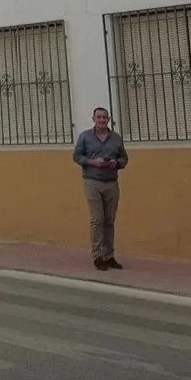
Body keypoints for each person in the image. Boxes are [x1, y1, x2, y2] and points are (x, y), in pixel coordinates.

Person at [72, 106, 128, 271]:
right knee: (98, 219)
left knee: (109, 220)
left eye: (105, 117)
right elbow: (76, 156)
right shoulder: (85, 137)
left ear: (108, 120)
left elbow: (124, 158)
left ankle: (109, 255)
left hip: (111, 182)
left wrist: (115, 163)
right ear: (93, 119)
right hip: (92, 182)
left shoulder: (116, 138)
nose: (102, 120)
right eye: (99, 117)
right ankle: (97, 256)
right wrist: (92, 162)